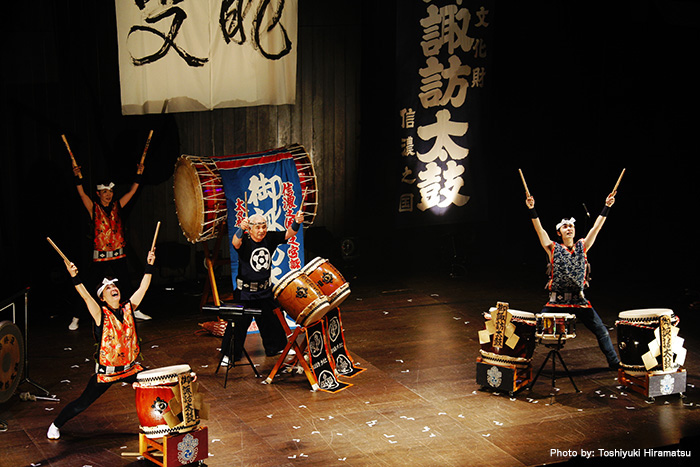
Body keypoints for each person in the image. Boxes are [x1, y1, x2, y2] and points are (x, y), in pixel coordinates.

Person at [47, 249, 156, 440]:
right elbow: (86, 297)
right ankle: (56, 424)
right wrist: (74, 276)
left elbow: (143, 288)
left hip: (130, 369)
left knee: (159, 383)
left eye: (115, 286)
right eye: (108, 288)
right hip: (107, 373)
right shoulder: (100, 315)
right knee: (82, 403)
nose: (113, 288)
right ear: (103, 298)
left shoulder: (129, 308)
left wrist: (149, 264)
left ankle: (159, 423)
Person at [526, 192, 621, 370]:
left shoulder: (582, 246)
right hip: (557, 300)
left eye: (571, 226)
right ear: (559, 232)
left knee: (601, 331)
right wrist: (532, 209)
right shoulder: (553, 248)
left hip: (579, 299)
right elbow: (540, 230)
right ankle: (523, 360)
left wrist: (607, 206)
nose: (569, 229)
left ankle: (614, 363)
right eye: (565, 227)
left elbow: (596, 228)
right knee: (536, 330)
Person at [68, 163, 151, 330]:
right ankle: (76, 317)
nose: (108, 195)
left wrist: (139, 175)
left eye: (111, 191)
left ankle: (136, 310)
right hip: (100, 256)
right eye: (105, 192)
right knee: (89, 286)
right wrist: (77, 176)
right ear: (98, 194)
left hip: (118, 254)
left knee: (127, 285)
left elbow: (132, 192)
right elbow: (82, 193)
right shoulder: (94, 208)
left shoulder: (117, 206)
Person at [220, 210, 304, 364]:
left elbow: (289, 234)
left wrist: (297, 221)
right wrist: (241, 228)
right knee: (238, 323)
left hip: (264, 290)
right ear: (250, 229)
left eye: (264, 227)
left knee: (271, 319)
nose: (261, 230)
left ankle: (277, 347)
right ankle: (230, 354)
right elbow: (235, 243)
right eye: (257, 227)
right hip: (245, 292)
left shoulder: (270, 237)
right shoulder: (244, 239)